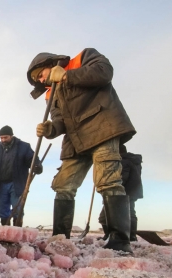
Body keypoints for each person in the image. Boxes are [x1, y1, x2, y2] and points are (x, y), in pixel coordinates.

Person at [26, 48, 136, 253]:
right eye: (37, 80)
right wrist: (51, 129)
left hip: (101, 127)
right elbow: (60, 121)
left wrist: (67, 75)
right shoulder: (51, 93)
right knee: (63, 185)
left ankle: (120, 241)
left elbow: (104, 72)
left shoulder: (83, 58)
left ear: (50, 64)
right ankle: (60, 238)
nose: (41, 81)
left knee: (108, 181)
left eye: (40, 75)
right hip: (75, 140)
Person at [0, 125, 42, 226]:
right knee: (2, 208)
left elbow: (32, 160)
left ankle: (17, 229)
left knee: (17, 207)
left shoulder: (23, 146)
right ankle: (5, 229)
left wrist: (37, 166)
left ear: (11, 136)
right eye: (1, 138)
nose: (3, 140)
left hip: (17, 183)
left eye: (5, 137)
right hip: (1, 183)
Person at [99, 145, 143, 241]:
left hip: (121, 193)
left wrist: (106, 182)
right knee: (130, 213)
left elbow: (121, 179)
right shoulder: (134, 161)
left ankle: (110, 235)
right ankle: (131, 236)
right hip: (133, 191)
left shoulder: (123, 161)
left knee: (104, 216)